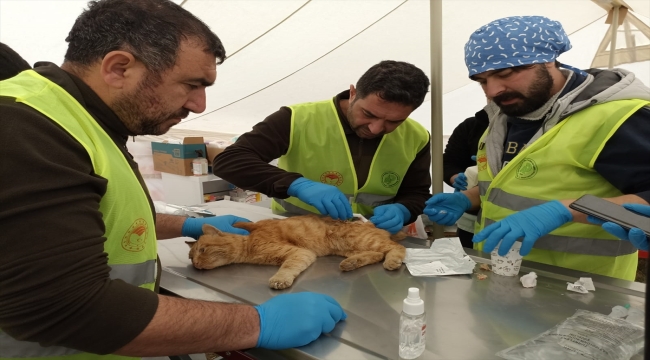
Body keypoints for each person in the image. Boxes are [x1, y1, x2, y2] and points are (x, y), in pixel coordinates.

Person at [0, 0, 345, 358]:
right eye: (192, 84)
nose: (200, 105)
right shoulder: (23, 127)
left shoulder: (83, 119)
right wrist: (254, 323)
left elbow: (96, 218)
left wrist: (187, 225)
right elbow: (65, 309)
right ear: (118, 68)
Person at [424, 15, 650, 281]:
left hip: (580, 289)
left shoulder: (618, 117)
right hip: (502, 276)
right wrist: (468, 198)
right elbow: (517, 184)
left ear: (548, 60)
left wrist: (565, 210)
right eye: (482, 81)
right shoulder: (504, 117)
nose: (493, 89)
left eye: (504, 73)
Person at [213, 60, 432, 234]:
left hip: (369, 239)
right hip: (299, 235)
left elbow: (416, 192)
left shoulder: (417, 136)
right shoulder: (297, 118)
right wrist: (296, 184)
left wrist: (404, 210)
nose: (375, 129)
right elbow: (230, 161)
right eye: (368, 114)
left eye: (394, 121)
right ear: (353, 92)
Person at [443, 110, 489, 248]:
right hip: (470, 221)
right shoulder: (472, 126)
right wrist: (455, 177)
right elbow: (449, 161)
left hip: (516, 221)